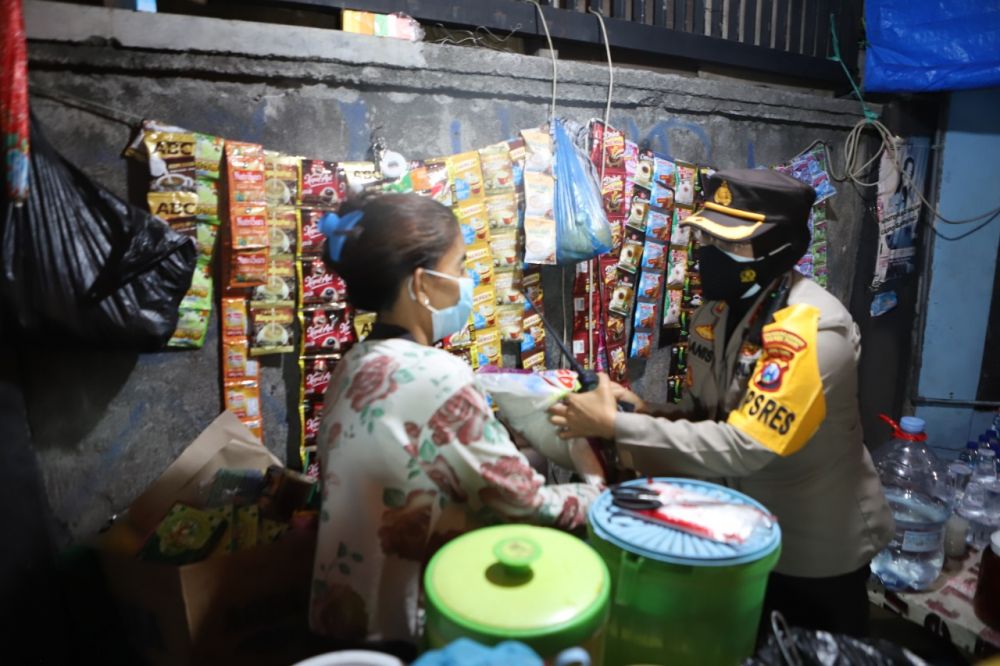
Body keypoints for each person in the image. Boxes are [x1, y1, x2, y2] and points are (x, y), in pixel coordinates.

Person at [549, 169, 894, 637]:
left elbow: (748, 444)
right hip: (740, 532)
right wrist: (643, 410)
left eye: (732, 245)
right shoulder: (716, 314)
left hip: (813, 552)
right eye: (709, 240)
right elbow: (709, 415)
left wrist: (617, 427)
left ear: (782, 247)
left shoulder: (810, 331)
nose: (711, 256)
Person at [309, 193, 600, 650]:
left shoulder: (356, 361)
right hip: (411, 631)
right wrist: (597, 486)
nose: (469, 281)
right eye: (461, 266)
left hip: (345, 617)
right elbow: (527, 505)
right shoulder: (438, 375)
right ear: (423, 283)